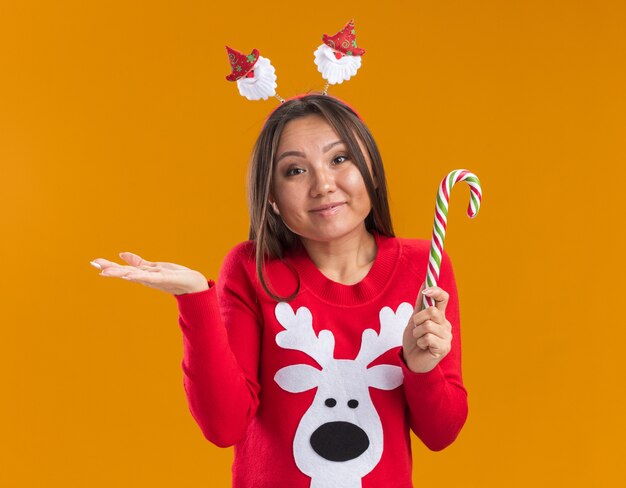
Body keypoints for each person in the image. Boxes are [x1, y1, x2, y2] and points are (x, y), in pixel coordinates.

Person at [91, 94, 468, 488]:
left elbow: (441, 433)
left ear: (370, 168)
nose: (323, 185)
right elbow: (224, 426)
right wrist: (194, 300)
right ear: (270, 196)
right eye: (294, 171)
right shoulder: (250, 271)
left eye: (340, 159)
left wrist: (422, 366)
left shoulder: (425, 267)